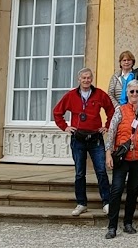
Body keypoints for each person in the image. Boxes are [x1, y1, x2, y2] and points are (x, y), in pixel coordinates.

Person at [53, 67, 114, 217]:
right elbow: (57, 112)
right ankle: (81, 203)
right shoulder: (71, 95)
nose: (86, 80)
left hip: (95, 139)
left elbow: (111, 110)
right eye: (83, 78)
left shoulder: (99, 94)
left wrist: (106, 126)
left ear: (92, 79)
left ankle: (107, 202)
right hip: (78, 139)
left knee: (101, 171)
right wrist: (65, 127)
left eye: (89, 77)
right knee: (80, 173)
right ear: (78, 79)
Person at [104, 79, 138, 239]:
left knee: (133, 191)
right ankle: (112, 226)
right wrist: (108, 152)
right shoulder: (120, 110)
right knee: (116, 190)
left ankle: (128, 222)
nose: (135, 94)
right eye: (132, 91)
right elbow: (112, 132)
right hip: (122, 157)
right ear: (127, 93)